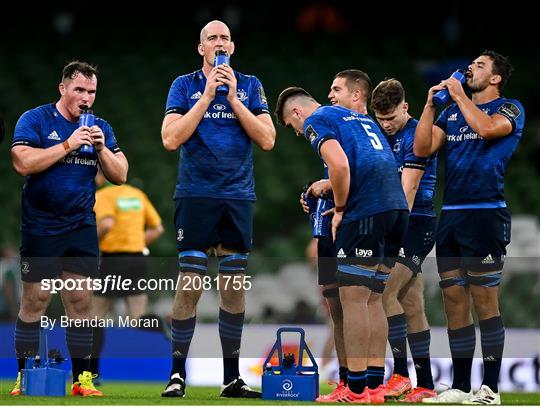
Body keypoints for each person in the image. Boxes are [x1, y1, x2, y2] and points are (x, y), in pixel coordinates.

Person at [160, 20, 275, 398]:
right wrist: (208, 97)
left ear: (232, 47)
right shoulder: (184, 85)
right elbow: (170, 138)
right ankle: (177, 374)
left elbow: (267, 139)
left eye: (224, 37)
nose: (219, 43)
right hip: (195, 194)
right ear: (201, 48)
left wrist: (235, 99)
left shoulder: (252, 84)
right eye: (212, 38)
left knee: (233, 288)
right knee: (190, 281)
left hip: (237, 196)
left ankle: (232, 379)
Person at [276, 86, 408, 403]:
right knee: (374, 299)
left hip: (365, 213)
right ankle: (374, 387)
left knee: (353, 302)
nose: (297, 132)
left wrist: (340, 209)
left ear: (296, 112)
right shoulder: (356, 118)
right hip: (396, 210)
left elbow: (340, 166)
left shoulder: (317, 120)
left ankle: (356, 389)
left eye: (292, 127)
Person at [10, 60, 128, 397]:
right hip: (41, 227)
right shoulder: (36, 119)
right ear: (63, 89)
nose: (86, 97)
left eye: (91, 91)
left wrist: (102, 148)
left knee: (80, 301)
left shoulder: (100, 126)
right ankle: (25, 375)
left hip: (80, 226)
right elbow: (22, 163)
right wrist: (68, 144)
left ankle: (82, 380)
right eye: (79, 89)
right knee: (37, 299)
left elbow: (120, 175)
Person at [414, 50, 524, 405]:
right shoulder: (450, 113)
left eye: (479, 66)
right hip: (452, 215)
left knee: (484, 300)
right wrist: (430, 107)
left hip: (485, 214)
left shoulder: (509, 109)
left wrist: (459, 95)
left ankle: (489, 389)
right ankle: (461, 386)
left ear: (495, 78)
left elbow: (488, 129)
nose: (469, 70)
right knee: (453, 300)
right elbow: (422, 147)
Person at [370, 79, 437, 402]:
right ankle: (424, 383)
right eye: (380, 119)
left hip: (415, 221)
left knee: (385, 293)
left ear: (405, 108)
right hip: (397, 221)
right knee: (411, 302)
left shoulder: (417, 134)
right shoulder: (380, 134)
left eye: (391, 118)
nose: (386, 125)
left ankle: (399, 375)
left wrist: (393, 230)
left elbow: (408, 189)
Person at [90, 170, 165, 381]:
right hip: (137, 259)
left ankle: (92, 373)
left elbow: (105, 224)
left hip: (111, 260)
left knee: (95, 318)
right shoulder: (136, 194)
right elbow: (157, 229)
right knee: (137, 318)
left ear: (102, 175)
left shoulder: (103, 195)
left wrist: (88, 245)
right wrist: (138, 243)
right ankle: (165, 325)